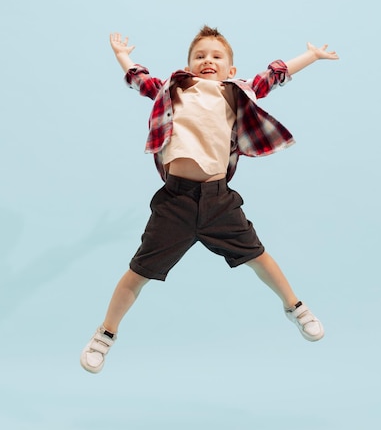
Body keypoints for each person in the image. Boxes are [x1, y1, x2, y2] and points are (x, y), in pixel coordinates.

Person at [80, 26, 339, 373]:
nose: (208, 61)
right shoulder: (173, 89)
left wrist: (311, 56)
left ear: (230, 70)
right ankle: (106, 334)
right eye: (200, 56)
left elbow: (274, 76)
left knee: (259, 256)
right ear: (187, 65)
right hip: (176, 201)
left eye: (217, 57)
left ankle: (295, 307)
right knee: (138, 271)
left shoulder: (236, 93)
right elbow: (139, 79)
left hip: (219, 201)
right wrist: (121, 55)